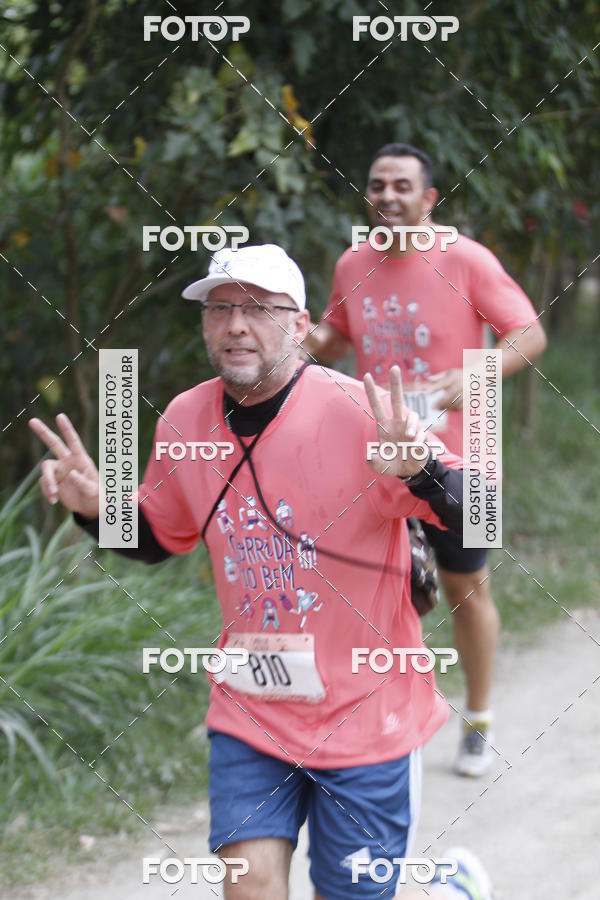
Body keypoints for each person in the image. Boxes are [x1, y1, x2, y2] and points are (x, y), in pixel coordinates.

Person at [30, 244, 492, 899]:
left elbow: (482, 519)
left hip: (366, 708)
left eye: (256, 308)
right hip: (252, 706)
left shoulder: (364, 412)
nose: (235, 325)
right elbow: (164, 534)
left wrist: (423, 470)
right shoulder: (187, 418)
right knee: (248, 889)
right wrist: (96, 510)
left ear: (301, 326)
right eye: (219, 309)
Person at [303, 144, 547, 777]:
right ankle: (382, 721)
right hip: (381, 459)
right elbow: (334, 335)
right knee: (380, 591)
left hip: (471, 457)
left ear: (429, 198)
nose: (388, 196)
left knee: (467, 587)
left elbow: (530, 332)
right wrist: (306, 338)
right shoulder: (352, 262)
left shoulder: (465, 259)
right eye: (378, 184)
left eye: (403, 186)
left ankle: (480, 719)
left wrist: (480, 372)